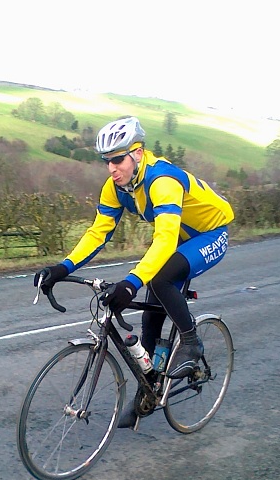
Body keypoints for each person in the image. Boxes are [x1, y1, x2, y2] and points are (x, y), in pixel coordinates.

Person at [34, 116, 234, 428]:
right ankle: (148, 388)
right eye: (107, 161)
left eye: (117, 160)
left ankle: (191, 341)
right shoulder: (115, 188)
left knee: (160, 279)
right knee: (151, 313)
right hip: (179, 237)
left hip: (210, 234)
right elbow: (98, 233)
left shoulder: (162, 180)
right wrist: (62, 267)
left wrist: (131, 283)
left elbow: (164, 240)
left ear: (137, 154)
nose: (111, 168)